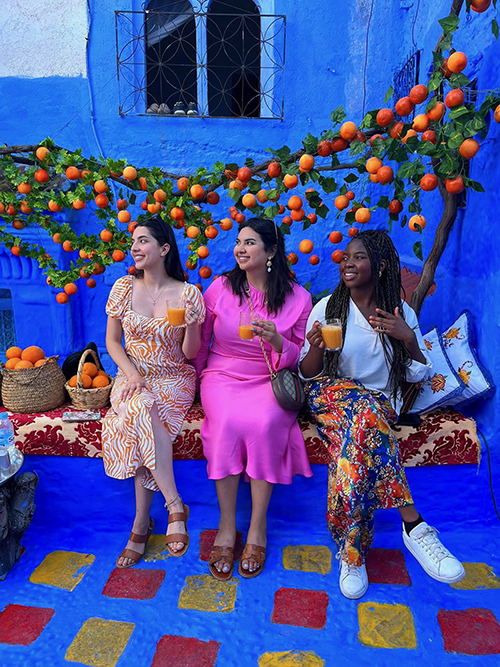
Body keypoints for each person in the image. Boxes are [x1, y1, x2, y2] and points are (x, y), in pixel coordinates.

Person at [299, 229, 465, 600]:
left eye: (359, 257)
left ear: (381, 265)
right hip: (330, 397)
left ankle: (352, 554)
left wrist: (408, 339)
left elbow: (417, 374)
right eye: (346, 257)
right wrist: (312, 348)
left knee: (362, 433)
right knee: (364, 412)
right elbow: (308, 374)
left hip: (374, 408)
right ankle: (415, 525)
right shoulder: (327, 308)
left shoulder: (399, 312)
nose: (348, 263)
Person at [194, 217, 313, 580]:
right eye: (239, 243)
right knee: (227, 423)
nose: (240, 249)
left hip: (270, 377)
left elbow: (301, 355)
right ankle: (227, 527)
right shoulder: (221, 289)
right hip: (223, 374)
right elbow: (201, 343)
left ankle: (258, 528)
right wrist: (198, 381)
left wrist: (278, 341)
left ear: (272, 251)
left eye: (250, 243)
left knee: (264, 424)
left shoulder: (298, 298)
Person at [103, 216, 205, 568]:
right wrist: (131, 374)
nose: (135, 247)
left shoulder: (188, 293)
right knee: (141, 407)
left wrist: (192, 325)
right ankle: (174, 504)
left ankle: (140, 526)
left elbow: (190, 353)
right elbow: (112, 342)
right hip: (132, 375)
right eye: (133, 241)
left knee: (144, 414)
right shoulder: (123, 288)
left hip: (174, 377)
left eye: (143, 240)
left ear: (164, 249)